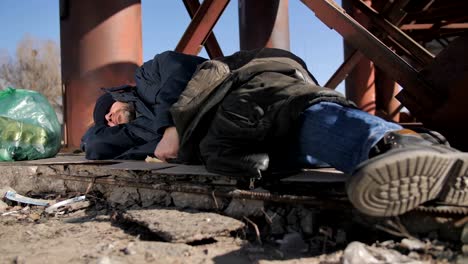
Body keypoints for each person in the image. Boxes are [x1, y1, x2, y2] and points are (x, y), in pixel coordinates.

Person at [82, 48, 467, 217]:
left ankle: (394, 146)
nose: (112, 121)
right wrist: (104, 131)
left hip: (237, 86)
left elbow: (180, 74)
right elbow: (95, 146)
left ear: (121, 93)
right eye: (109, 122)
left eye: (110, 112)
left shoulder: (149, 75)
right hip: (225, 137)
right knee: (281, 142)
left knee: (277, 107)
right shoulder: (134, 134)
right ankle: (416, 168)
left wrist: (170, 129)